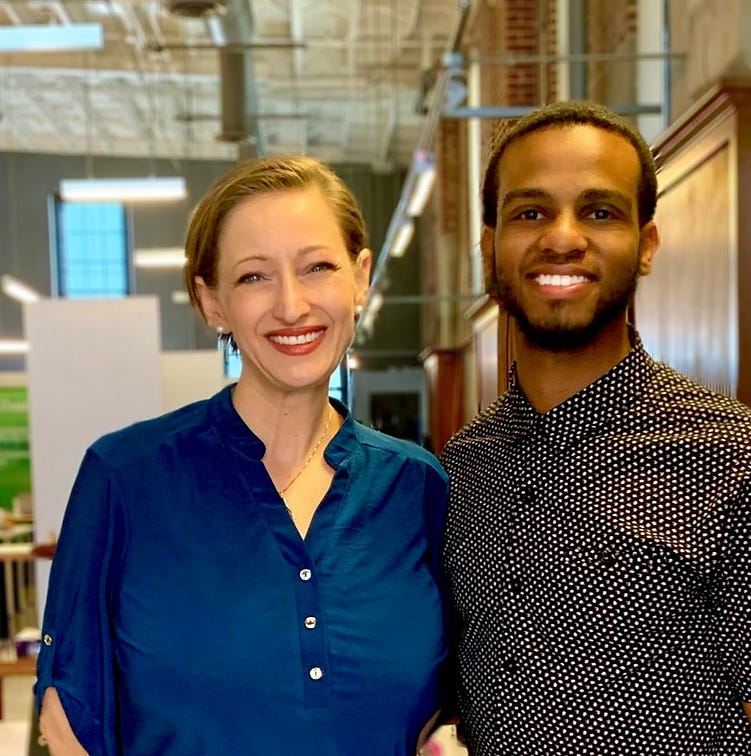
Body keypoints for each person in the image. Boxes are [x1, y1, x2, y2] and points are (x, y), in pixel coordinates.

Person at [439, 101, 751, 755]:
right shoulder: (464, 467)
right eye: (531, 212)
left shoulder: (747, 462)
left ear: (647, 245)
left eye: (600, 212)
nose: (562, 237)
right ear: (491, 246)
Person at [35, 155, 450, 755]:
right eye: (254, 277)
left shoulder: (417, 489)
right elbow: (69, 721)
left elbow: (449, 709)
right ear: (212, 302)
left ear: (360, 278)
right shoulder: (125, 479)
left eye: (318, 267)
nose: (291, 305)